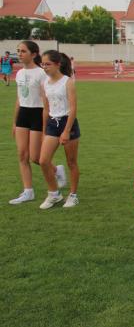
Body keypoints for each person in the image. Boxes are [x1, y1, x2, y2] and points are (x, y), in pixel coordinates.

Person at [9, 41, 66, 205]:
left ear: (34, 54)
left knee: (35, 157)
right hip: (23, 114)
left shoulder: (42, 73)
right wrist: (15, 121)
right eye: (18, 51)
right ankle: (28, 192)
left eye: (23, 51)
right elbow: (19, 99)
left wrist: (44, 125)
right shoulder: (19, 73)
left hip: (37, 113)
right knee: (22, 155)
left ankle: (56, 170)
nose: (19, 54)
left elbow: (45, 100)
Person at [38, 51, 80, 209]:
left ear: (58, 64)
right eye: (43, 64)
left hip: (67, 122)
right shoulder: (45, 83)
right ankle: (54, 194)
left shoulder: (67, 82)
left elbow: (73, 108)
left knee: (71, 162)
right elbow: (46, 109)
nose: (44, 67)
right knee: (43, 161)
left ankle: (73, 195)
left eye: (47, 64)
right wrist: (44, 131)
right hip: (52, 124)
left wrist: (66, 131)